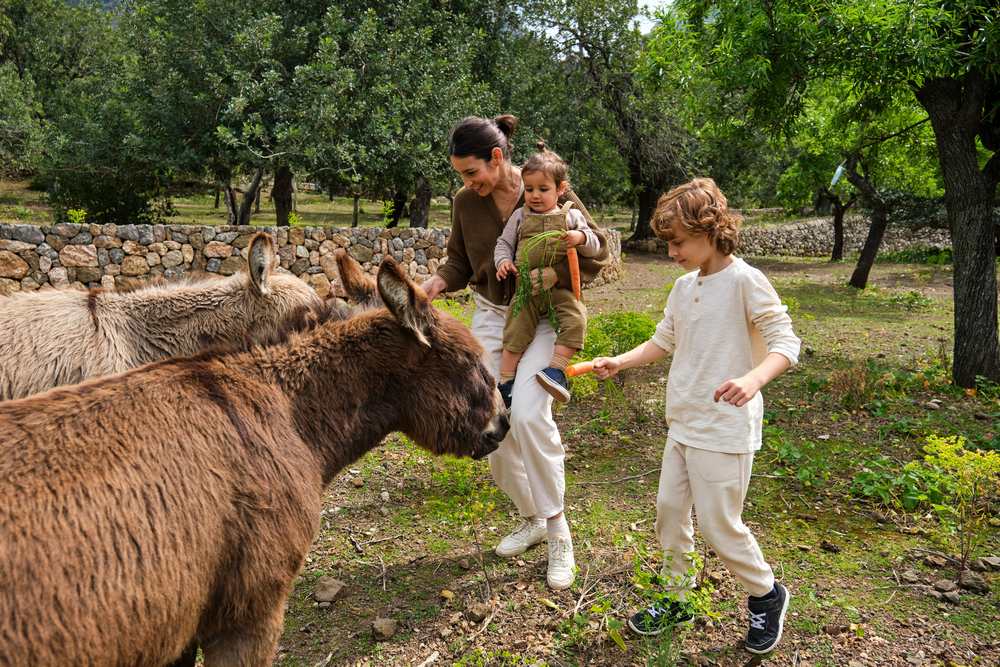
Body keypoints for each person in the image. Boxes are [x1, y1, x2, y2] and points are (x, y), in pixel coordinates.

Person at [592, 178, 800, 654]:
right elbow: (664, 341)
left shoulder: (746, 280)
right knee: (669, 514)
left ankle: (767, 595)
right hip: (683, 423)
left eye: (679, 242)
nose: (672, 252)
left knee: (718, 525)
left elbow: (786, 343)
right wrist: (619, 361)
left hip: (724, 429)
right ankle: (679, 597)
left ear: (712, 230)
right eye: (668, 243)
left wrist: (753, 379)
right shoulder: (684, 288)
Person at [421, 115, 611, 590]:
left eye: (471, 172)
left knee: (527, 415)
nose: (467, 183)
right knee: (488, 422)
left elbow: (599, 250)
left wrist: (576, 245)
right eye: (462, 175)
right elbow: (460, 262)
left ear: (497, 158)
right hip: (491, 316)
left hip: (544, 313)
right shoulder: (467, 202)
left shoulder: (545, 187)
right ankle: (531, 517)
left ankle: (558, 531)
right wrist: (434, 286)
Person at [494, 143, 600, 406]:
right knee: (515, 330)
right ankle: (506, 382)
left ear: (561, 189)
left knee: (576, 319)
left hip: (559, 291)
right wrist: (503, 261)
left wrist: (580, 237)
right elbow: (503, 244)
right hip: (526, 291)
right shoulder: (520, 216)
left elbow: (596, 245)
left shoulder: (571, 215)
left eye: (543, 189)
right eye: (529, 189)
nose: (535, 195)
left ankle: (556, 370)